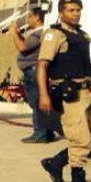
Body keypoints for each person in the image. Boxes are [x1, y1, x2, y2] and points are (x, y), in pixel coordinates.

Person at [37, 0, 91, 182]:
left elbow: (75, 61)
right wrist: (43, 95)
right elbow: (42, 66)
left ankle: (56, 162)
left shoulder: (80, 35)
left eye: (78, 10)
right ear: (61, 12)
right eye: (71, 10)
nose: (76, 14)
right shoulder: (54, 35)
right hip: (70, 94)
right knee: (80, 140)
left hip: (86, 92)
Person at [10, 8, 56, 142]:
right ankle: (47, 132)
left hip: (33, 71)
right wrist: (19, 35)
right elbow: (26, 44)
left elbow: (23, 47)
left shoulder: (38, 34)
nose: (28, 19)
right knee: (38, 103)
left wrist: (14, 33)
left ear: (36, 17)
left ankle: (40, 133)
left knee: (36, 103)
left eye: (29, 16)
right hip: (32, 71)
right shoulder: (38, 34)